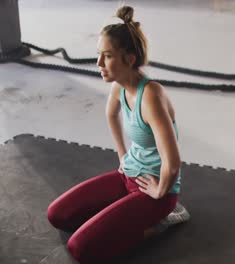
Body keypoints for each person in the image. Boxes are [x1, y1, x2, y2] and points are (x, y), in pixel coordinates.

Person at [47, 6, 188, 263]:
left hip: (154, 191)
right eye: (99, 55)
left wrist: (160, 191)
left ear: (129, 59)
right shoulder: (119, 87)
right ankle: (124, 214)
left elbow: (173, 162)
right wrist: (123, 155)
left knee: (81, 248)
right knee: (57, 214)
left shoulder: (151, 97)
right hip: (128, 175)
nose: (99, 63)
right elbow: (111, 115)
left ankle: (162, 221)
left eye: (107, 56)